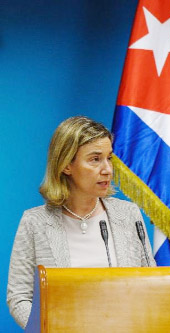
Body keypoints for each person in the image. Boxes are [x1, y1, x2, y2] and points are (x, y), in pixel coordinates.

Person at [7, 116, 156, 328]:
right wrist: (50, 329)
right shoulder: (35, 222)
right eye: (95, 159)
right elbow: (19, 296)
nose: (107, 169)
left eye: (109, 158)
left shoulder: (129, 214)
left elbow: (151, 282)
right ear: (67, 165)